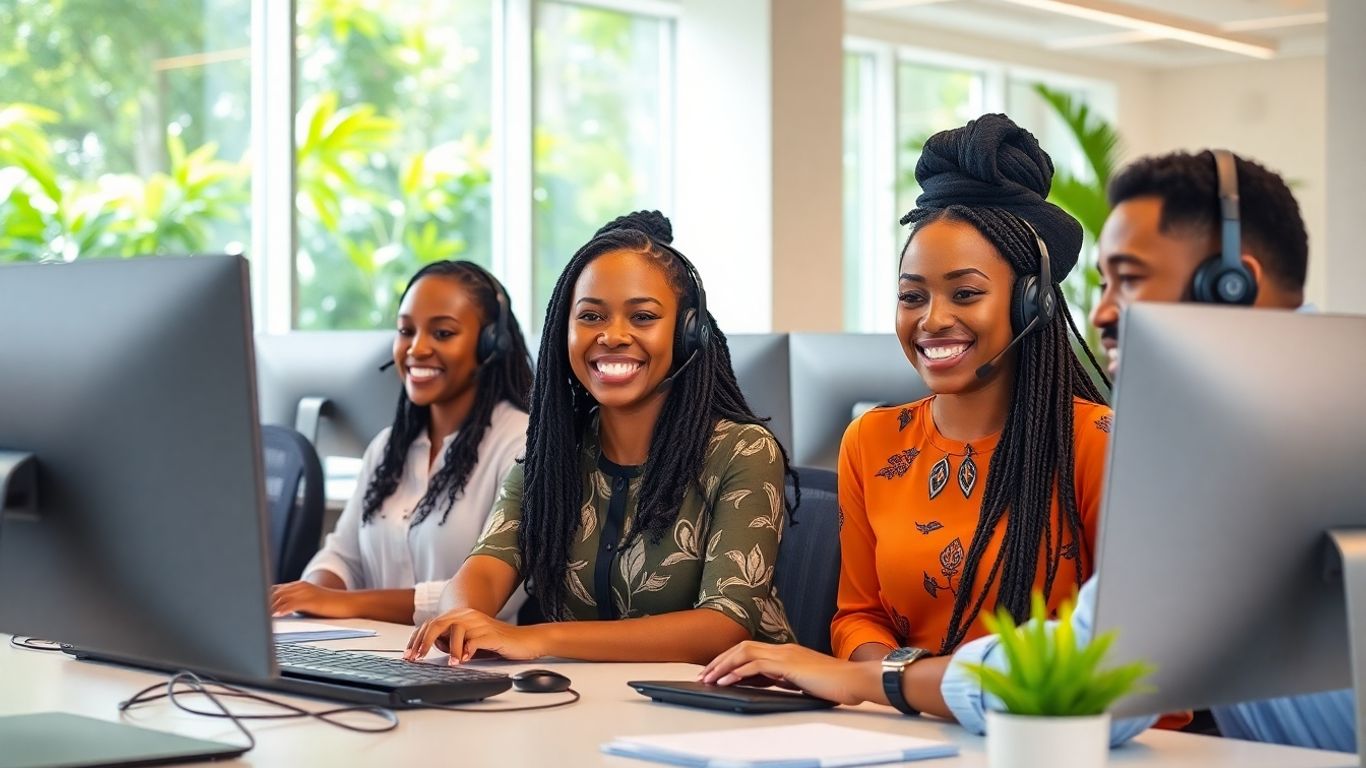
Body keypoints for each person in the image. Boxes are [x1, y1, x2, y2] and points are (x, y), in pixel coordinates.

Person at [700, 114, 1112, 719]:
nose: (932, 319)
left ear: (1031, 303)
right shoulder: (871, 440)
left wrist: (884, 685)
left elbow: (1125, 665)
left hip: (1044, 737)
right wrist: (895, 688)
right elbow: (858, 616)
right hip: (899, 730)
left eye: (965, 293)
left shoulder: (1096, 443)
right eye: (912, 295)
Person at [945, 149, 1354, 753]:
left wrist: (887, 679)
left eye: (1130, 279)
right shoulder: (1250, 423)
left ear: (1233, 286)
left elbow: (1099, 679)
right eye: (1104, 284)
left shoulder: (1251, 441)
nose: (1102, 311)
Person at [403, 210, 798, 666]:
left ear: (687, 333)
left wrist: (539, 639)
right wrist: (461, 617)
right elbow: (486, 568)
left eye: (642, 317)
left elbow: (723, 627)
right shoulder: (555, 454)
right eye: (591, 316)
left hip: (742, 699)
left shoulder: (742, 450)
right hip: (599, 697)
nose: (612, 336)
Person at [271, 261, 533, 625]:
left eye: (442, 333)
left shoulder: (520, 445)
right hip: (369, 648)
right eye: (406, 331)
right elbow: (342, 557)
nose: (417, 348)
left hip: (462, 655)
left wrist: (349, 604)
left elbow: (493, 597)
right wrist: (311, 598)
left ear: (491, 343)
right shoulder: (387, 447)